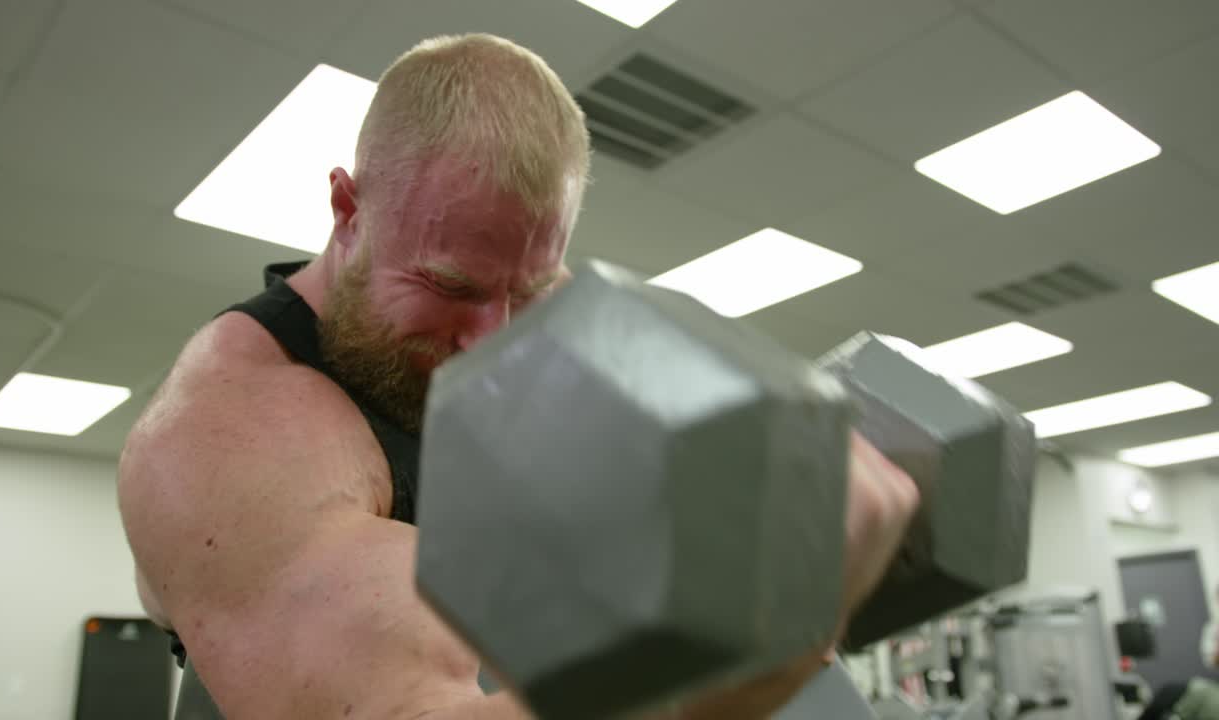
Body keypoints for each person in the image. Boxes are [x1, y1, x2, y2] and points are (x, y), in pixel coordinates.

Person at [117, 33, 918, 719]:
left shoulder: (524, 310)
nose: (493, 338)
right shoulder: (228, 438)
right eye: (451, 289)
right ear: (348, 211)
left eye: (528, 291)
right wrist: (728, 672)